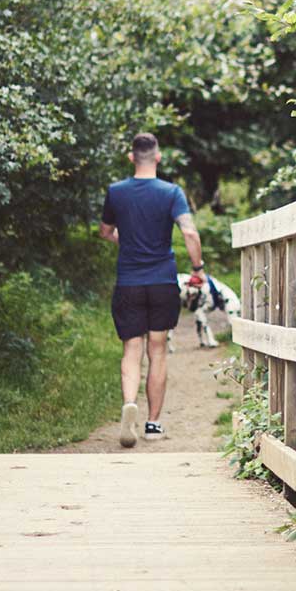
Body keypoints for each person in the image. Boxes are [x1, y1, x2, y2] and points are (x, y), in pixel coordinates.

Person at [98, 132, 207, 446]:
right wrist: (197, 269)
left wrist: (124, 239)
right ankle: (153, 425)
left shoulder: (116, 192)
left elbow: (105, 231)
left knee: (131, 349)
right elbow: (189, 232)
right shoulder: (171, 193)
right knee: (157, 350)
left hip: (129, 282)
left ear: (131, 158)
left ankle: (129, 403)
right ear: (157, 157)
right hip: (162, 281)